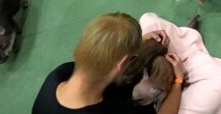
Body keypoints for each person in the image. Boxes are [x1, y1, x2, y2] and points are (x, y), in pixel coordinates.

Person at [33, 12, 183, 113]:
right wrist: (178, 81)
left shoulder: (61, 73)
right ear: (122, 61)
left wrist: (135, 44)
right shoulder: (115, 108)